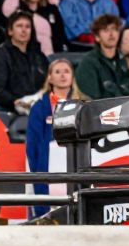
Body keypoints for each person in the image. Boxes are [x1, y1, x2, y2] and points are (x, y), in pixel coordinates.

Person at [26, 58, 86, 217]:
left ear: (73, 76)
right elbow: (32, 147)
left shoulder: (83, 106)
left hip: (75, 168)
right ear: (50, 77)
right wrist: (38, 175)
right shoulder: (39, 107)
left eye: (66, 71)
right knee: (46, 218)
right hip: (47, 169)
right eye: (57, 72)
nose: (62, 75)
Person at [0, 11, 49, 114]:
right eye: (19, 26)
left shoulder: (38, 55)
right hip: (12, 110)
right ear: (10, 31)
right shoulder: (1, 55)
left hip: (40, 106)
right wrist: (16, 102)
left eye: (27, 27)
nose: (24, 30)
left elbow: (49, 80)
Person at [75, 14, 129, 98]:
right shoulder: (88, 63)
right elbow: (91, 98)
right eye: (106, 30)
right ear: (97, 37)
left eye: (114, 29)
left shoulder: (125, 60)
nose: (111, 34)